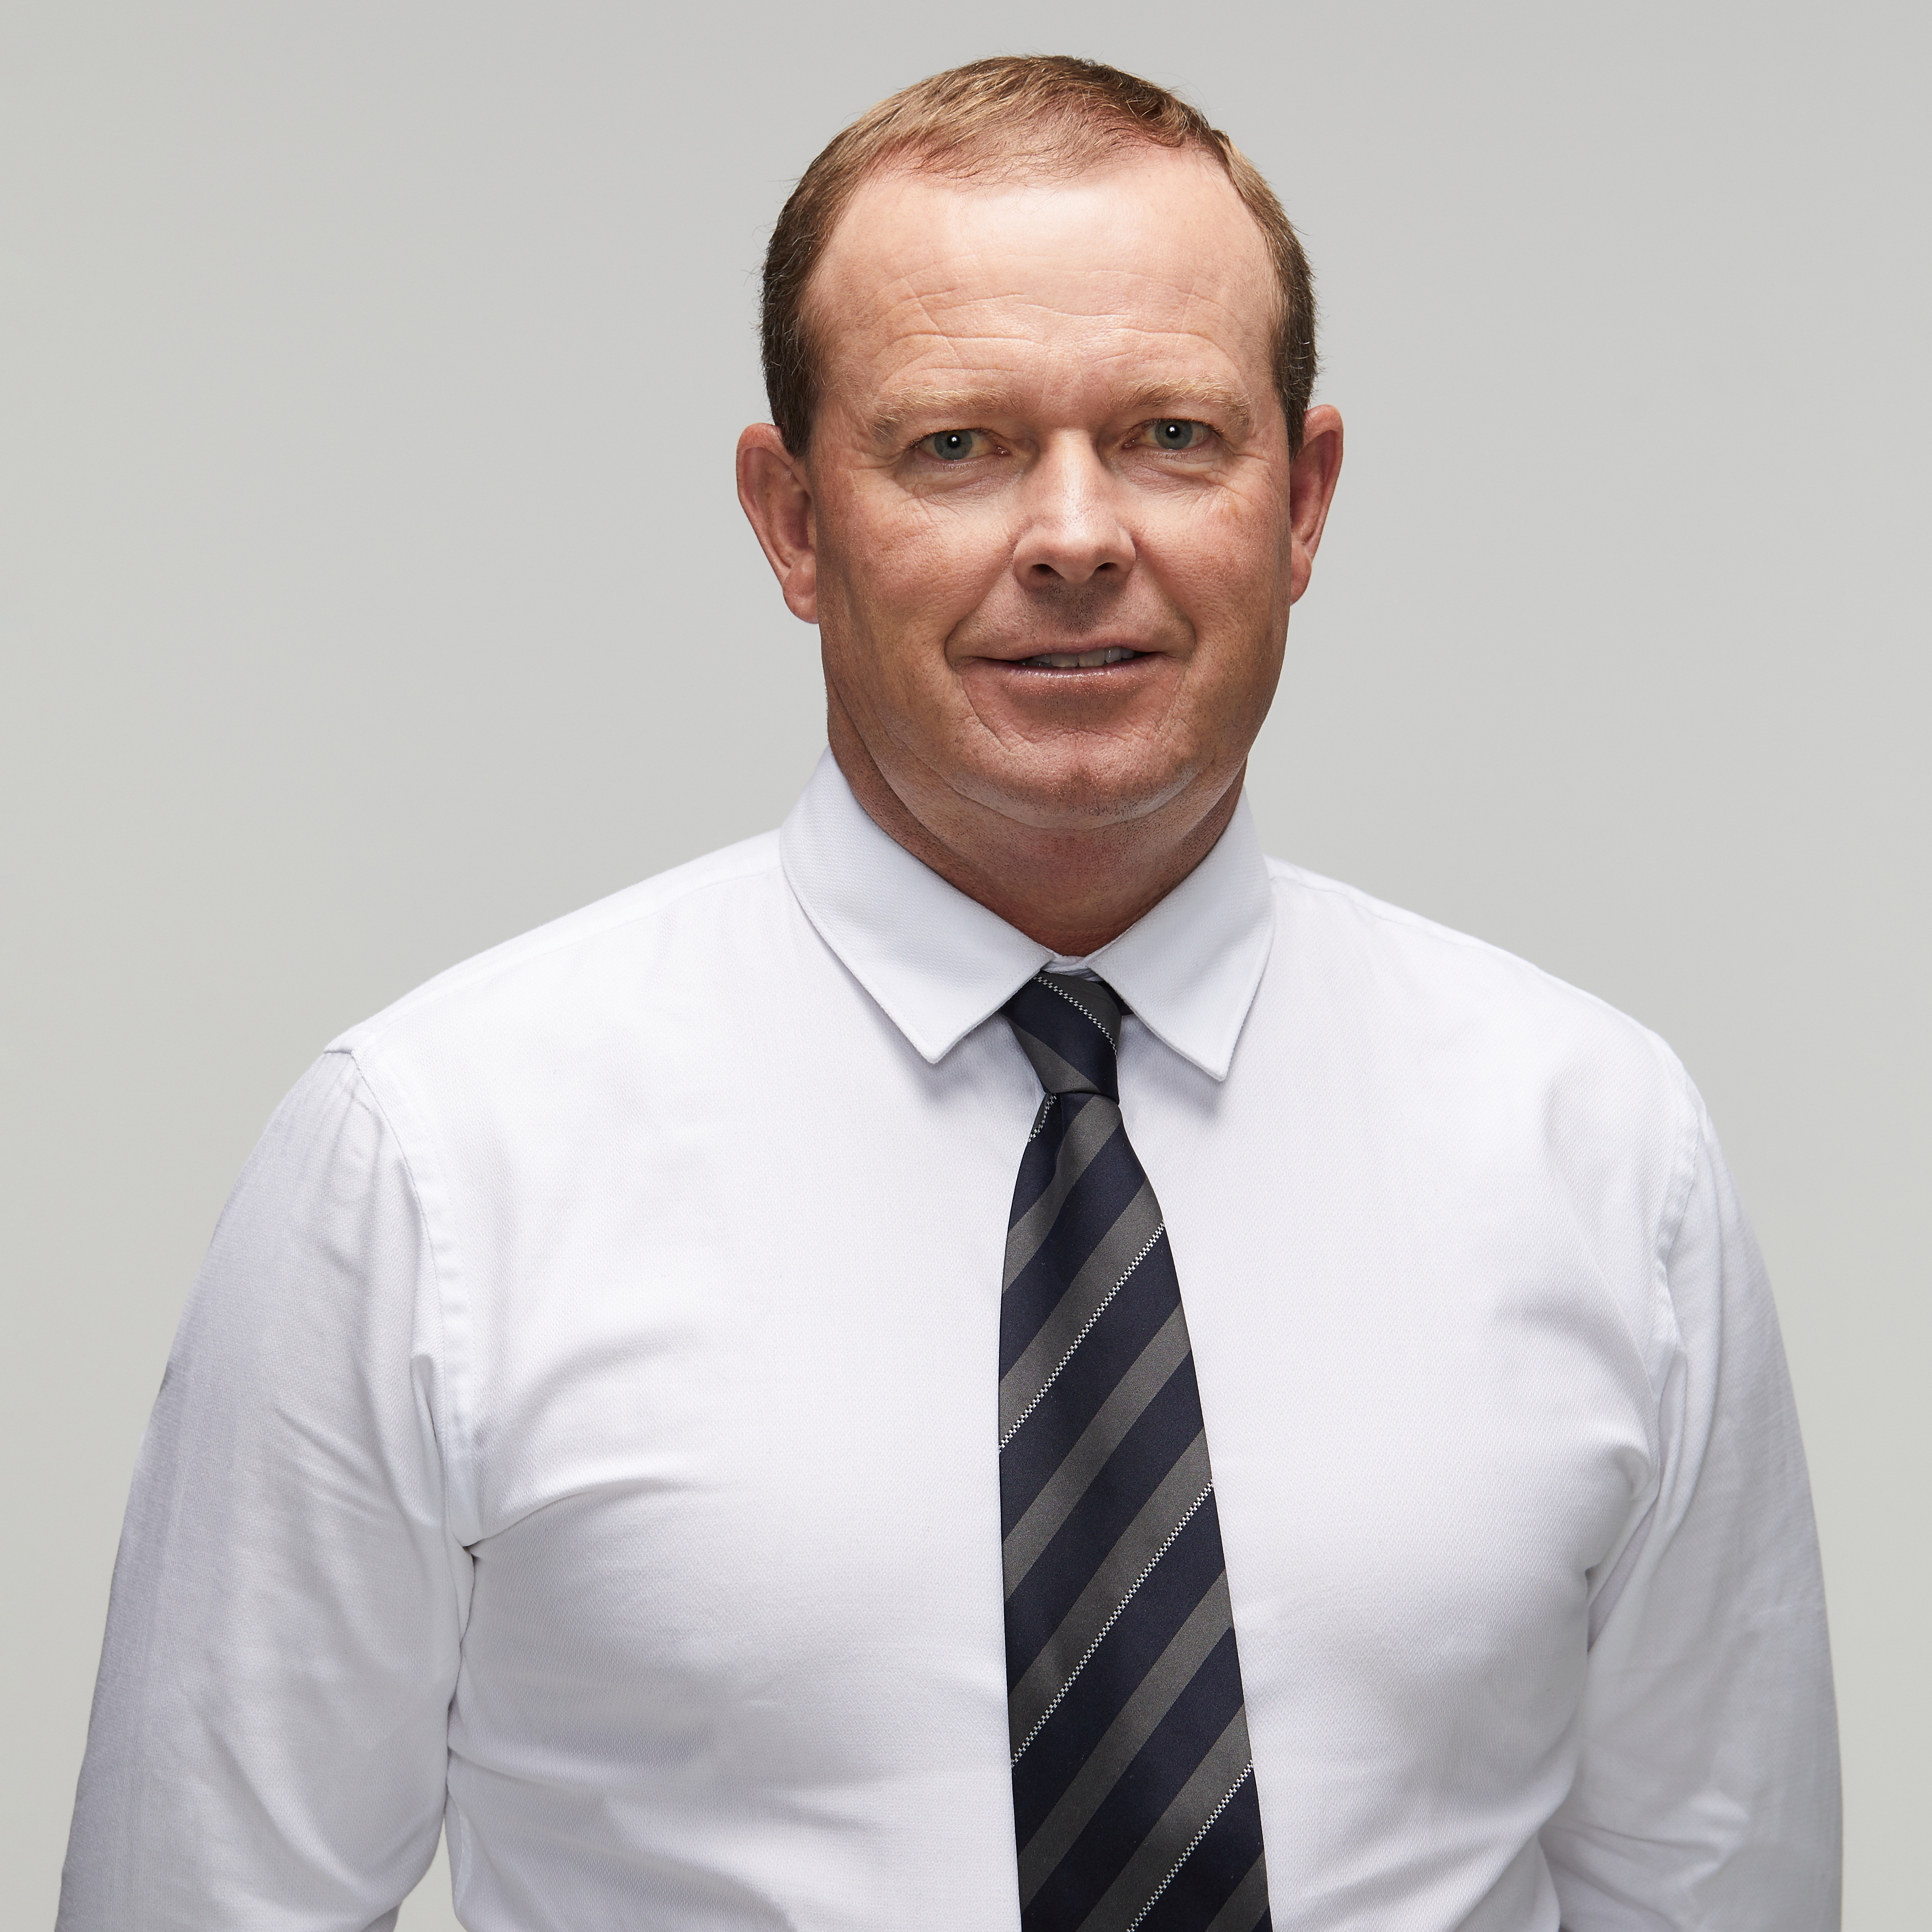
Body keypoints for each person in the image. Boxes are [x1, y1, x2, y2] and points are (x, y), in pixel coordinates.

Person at [57, 54, 1838, 1932]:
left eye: (1168, 434)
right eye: (955, 447)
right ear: (793, 521)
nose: (1075, 537)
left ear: (1300, 500)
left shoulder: (1597, 1143)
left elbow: (1716, 1897)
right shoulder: (429, 1164)